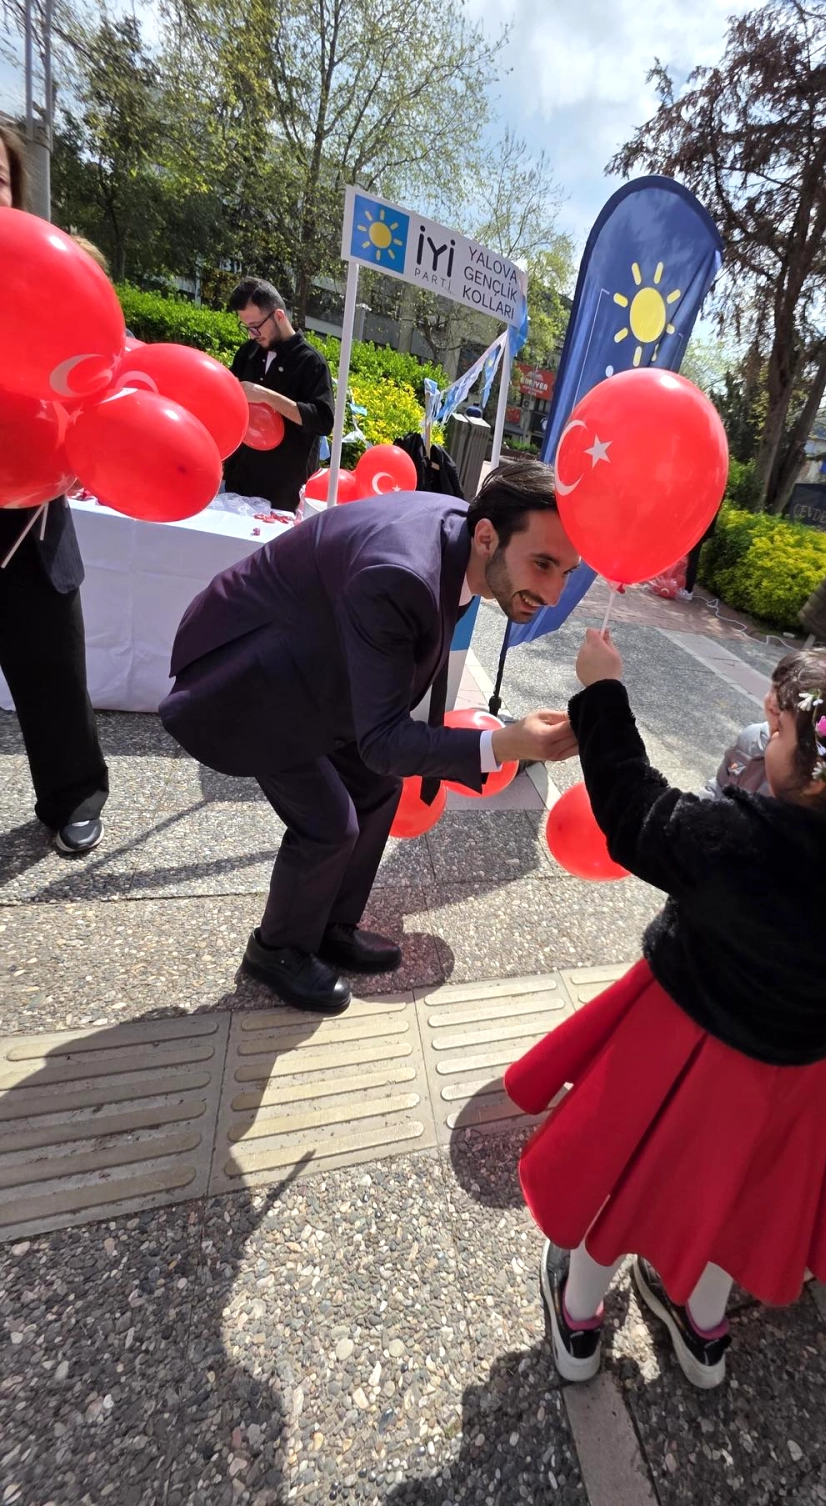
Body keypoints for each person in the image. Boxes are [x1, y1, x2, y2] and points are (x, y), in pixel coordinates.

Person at [505, 637, 826, 1388]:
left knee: (623, 1175)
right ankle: (704, 1331)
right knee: (737, 1198)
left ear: (822, 775)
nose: (768, 731)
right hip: (792, 1082)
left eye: (784, 730)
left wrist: (602, 693)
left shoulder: (735, 836)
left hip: (674, 1048)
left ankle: (581, 1316)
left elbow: (631, 809)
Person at [160, 460, 580, 1015]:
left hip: (321, 662)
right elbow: (382, 738)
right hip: (252, 681)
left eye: (566, 571)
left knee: (379, 788)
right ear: (486, 537)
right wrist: (504, 744)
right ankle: (276, 949)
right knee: (330, 824)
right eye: (543, 564)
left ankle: (330, 926)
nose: (552, 593)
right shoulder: (401, 572)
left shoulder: (468, 537)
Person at [0, 123, 109, 855]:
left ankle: (73, 794)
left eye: (1, 181)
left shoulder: (46, 272)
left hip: (35, 522)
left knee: (53, 669)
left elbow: (94, 377)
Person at [223, 278, 334, 511]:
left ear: (279, 316)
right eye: (246, 327)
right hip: (238, 482)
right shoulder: (248, 352)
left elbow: (323, 421)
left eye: (256, 326)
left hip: (283, 492)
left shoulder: (311, 362)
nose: (252, 334)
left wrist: (267, 396)